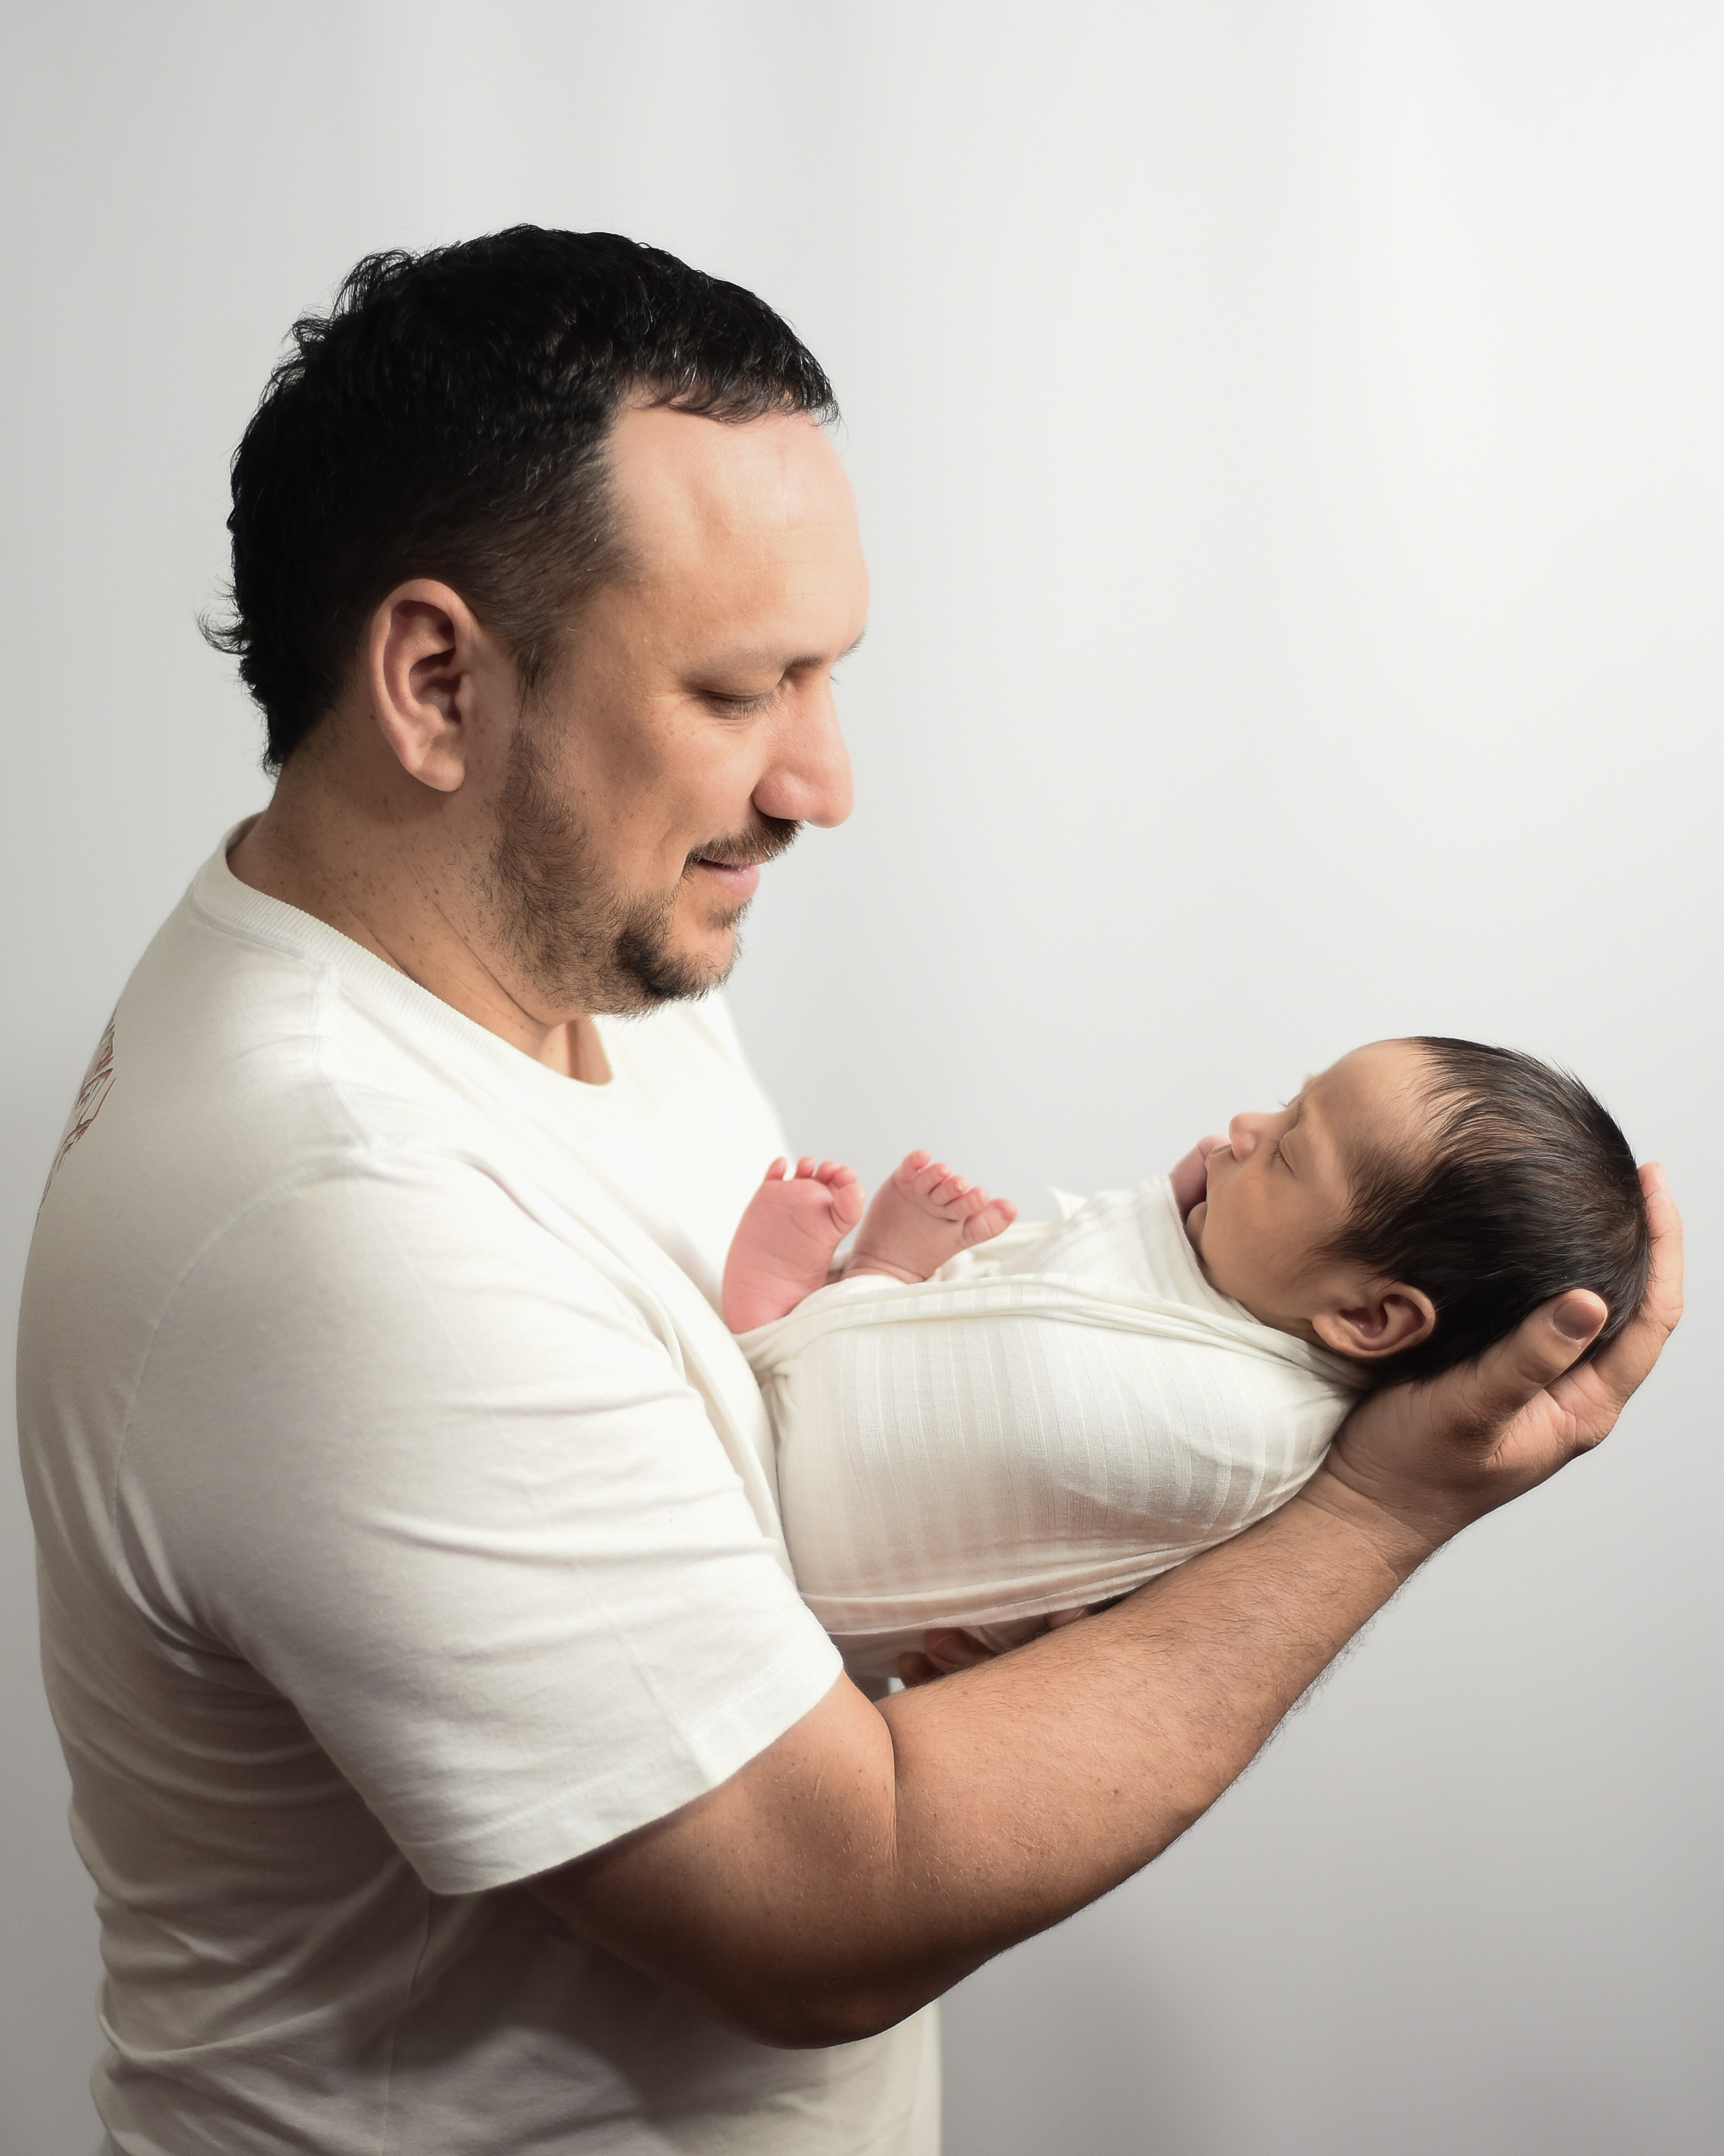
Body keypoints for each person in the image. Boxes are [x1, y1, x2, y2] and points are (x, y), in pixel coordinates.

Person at [14, 227, 1679, 2156]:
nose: (824, 778)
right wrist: (1385, 1507)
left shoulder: (567, 953)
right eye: (742, 688)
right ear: (436, 680)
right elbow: (826, 1904)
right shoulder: (334, 1212)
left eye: (829, 672)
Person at [724, 1039, 1651, 1679]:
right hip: (875, 1595)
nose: (1241, 1127)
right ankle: (871, 1292)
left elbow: (1051, 1422)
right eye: (1289, 1097)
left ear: (1369, 1316)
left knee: (1014, 1369)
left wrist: (1139, 1226)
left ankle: (839, 1303)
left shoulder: (1242, 1432)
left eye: (1289, 1148)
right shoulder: (1231, 1307)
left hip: (814, 1571)